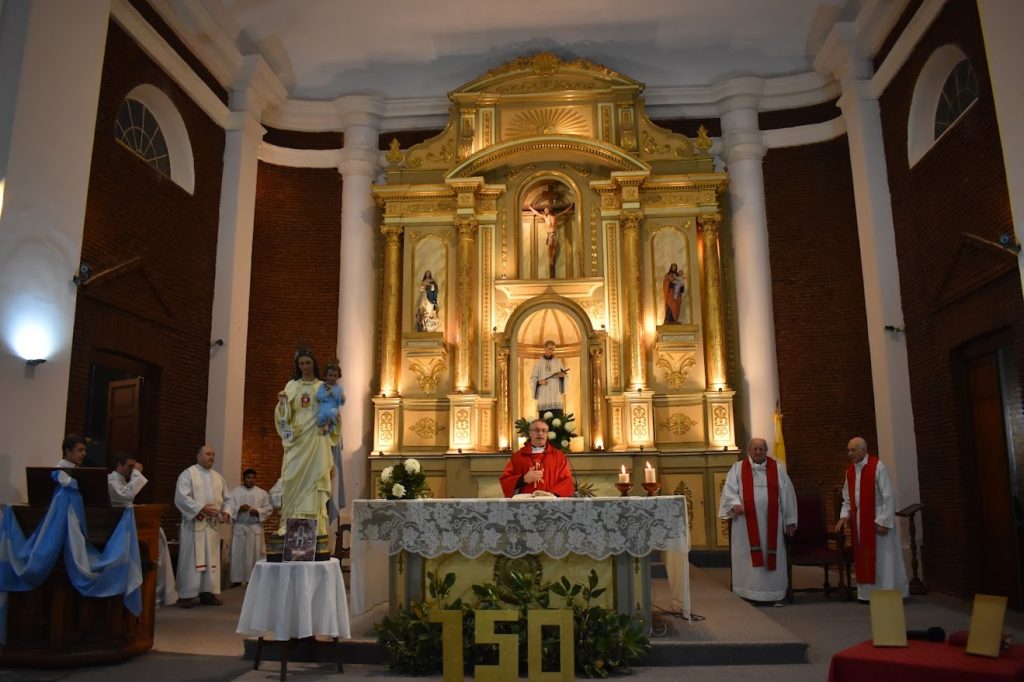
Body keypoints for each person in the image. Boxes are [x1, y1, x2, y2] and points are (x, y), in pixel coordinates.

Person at [718, 437, 798, 604]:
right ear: (749, 450)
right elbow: (729, 491)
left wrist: (790, 519)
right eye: (755, 449)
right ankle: (748, 593)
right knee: (747, 557)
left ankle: (774, 593)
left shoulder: (777, 468)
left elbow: (787, 494)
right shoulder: (738, 468)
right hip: (745, 524)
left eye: (761, 449)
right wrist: (734, 505)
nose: (758, 452)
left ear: (766, 451)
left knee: (772, 555)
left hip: (773, 524)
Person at [835, 437, 909, 601]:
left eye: (853, 450)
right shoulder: (850, 471)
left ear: (863, 450)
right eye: (848, 450)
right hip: (861, 520)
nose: (850, 454)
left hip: (877, 517)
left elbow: (888, 496)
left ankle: (887, 592)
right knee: (865, 556)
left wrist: (883, 521)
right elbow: (847, 498)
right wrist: (844, 516)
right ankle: (867, 594)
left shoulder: (878, 467)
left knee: (884, 558)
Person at [275, 349, 333, 538]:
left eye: (308, 363)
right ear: (297, 366)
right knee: (291, 476)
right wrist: (283, 404)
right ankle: (288, 522)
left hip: (315, 437)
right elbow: (284, 418)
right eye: (302, 364)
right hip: (297, 439)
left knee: (315, 478)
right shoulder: (291, 386)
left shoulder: (323, 387)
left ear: (314, 364)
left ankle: (316, 527)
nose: (305, 367)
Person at [174, 444, 233, 608]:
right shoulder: (188, 474)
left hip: (212, 526)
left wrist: (226, 512)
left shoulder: (218, 477)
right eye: (207, 454)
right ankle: (187, 594)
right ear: (198, 456)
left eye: (213, 454)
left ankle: (208, 592)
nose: (211, 457)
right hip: (195, 524)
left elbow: (228, 499)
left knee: (211, 559)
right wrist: (201, 508)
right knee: (191, 559)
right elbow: (181, 497)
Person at [499, 419, 574, 497]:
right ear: (530, 433)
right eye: (536, 430)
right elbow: (506, 480)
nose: (540, 433)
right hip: (524, 503)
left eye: (543, 430)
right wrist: (523, 479)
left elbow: (567, 481)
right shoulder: (517, 457)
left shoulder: (559, 456)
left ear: (547, 434)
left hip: (551, 503)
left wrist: (552, 495)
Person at [228, 468, 272, 585]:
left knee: (255, 554)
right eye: (248, 478)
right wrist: (239, 509)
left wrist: (257, 511)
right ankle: (236, 580)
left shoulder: (262, 493)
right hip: (240, 527)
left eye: (253, 478)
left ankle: (253, 581)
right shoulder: (234, 492)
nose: (251, 480)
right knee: (238, 555)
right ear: (244, 478)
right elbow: (228, 507)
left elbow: (268, 509)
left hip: (255, 527)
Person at [316, 357, 347, 520]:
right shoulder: (322, 387)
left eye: (335, 375)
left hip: (333, 412)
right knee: (323, 416)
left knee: (333, 414)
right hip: (324, 410)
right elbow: (319, 397)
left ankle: (327, 425)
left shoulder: (339, 388)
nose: (332, 377)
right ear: (326, 375)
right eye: (330, 374)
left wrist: (341, 397)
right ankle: (325, 425)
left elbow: (341, 401)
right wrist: (326, 394)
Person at [528, 200, 574, 276]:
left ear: (549, 210)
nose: (546, 211)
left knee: (554, 246)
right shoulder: (544, 217)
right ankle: (550, 259)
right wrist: (530, 207)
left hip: (555, 232)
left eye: (547, 209)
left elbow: (564, 212)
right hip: (549, 233)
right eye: (545, 210)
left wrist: (570, 206)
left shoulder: (555, 217)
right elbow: (536, 213)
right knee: (550, 245)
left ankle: (552, 258)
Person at [530, 340, 567, 419]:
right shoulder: (539, 363)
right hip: (544, 397)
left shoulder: (558, 362)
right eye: (550, 349)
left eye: (553, 349)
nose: (551, 351)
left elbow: (565, 376)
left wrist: (562, 376)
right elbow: (533, 378)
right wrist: (539, 382)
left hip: (556, 397)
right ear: (545, 348)